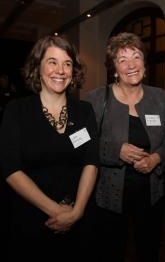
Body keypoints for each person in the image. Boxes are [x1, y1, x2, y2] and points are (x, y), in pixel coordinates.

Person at [0, 35, 99, 260]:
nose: (60, 70)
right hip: (32, 220)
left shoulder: (85, 111)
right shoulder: (17, 110)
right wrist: (57, 212)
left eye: (67, 64)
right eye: (52, 62)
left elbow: (91, 162)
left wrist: (77, 212)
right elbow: (11, 169)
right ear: (38, 67)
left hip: (80, 219)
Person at [85, 32, 165, 262]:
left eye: (136, 57)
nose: (131, 65)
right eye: (122, 60)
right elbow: (82, 142)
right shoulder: (96, 99)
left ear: (144, 63)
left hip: (151, 193)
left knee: (149, 249)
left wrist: (156, 159)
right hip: (109, 195)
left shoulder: (159, 97)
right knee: (111, 250)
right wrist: (116, 151)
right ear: (114, 68)